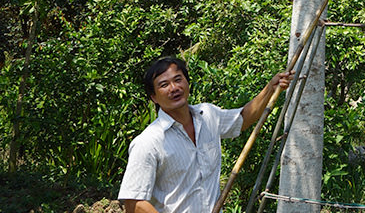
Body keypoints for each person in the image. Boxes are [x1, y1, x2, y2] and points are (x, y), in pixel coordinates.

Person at [118, 56, 294, 213]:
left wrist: (270, 88)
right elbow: (134, 203)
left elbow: (242, 119)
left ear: (187, 83)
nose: (174, 88)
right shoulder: (148, 142)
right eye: (164, 85)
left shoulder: (208, 115)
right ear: (154, 97)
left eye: (178, 80)